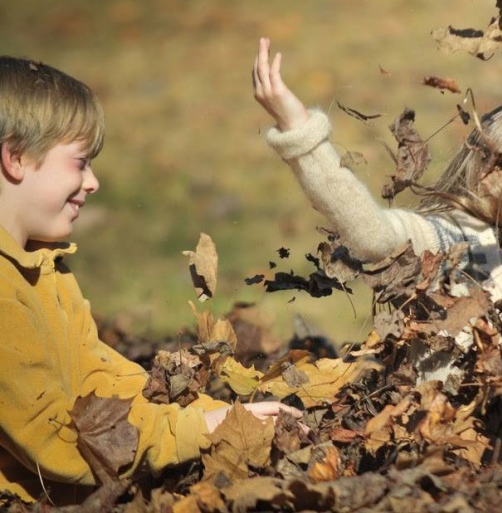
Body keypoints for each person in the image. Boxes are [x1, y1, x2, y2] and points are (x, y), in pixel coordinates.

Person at [252, 23, 502, 434]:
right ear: (496, 182)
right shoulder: (458, 247)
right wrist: (300, 133)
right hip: (489, 469)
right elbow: (372, 234)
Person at [0, 56, 301, 505]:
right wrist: (201, 431)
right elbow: (57, 443)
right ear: (16, 157)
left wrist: (221, 415)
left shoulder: (44, 268)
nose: (94, 182)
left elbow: (100, 379)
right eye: (80, 163)